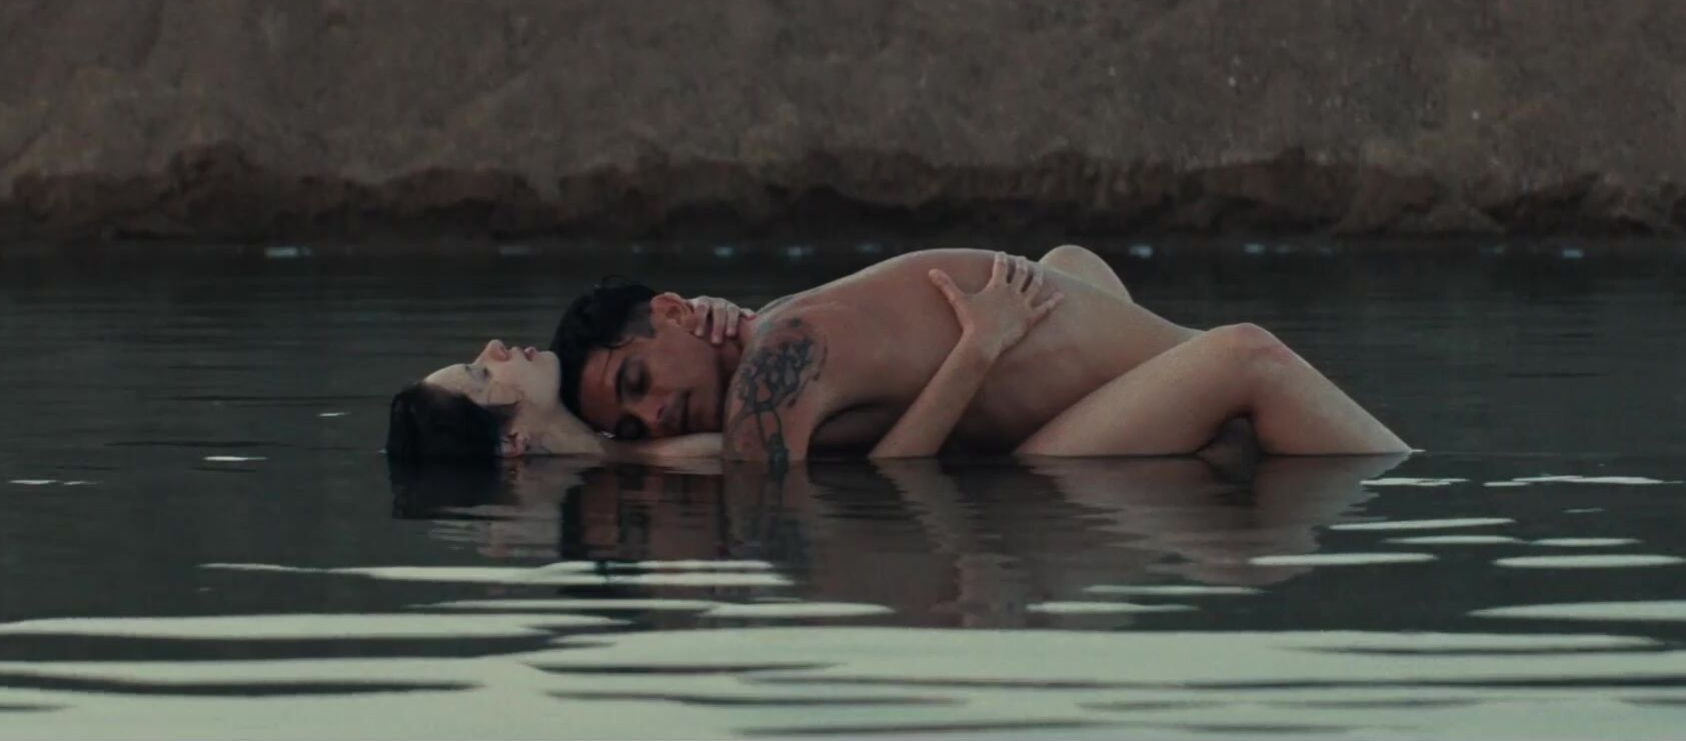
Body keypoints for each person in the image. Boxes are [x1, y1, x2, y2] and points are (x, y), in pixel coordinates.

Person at [387, 245, 1407, 465]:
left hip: (1082, 426)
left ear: (670, 314)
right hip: (1072, 419)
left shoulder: (774, 357)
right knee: (1071, 263)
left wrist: (980, 347)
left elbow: (760, 473)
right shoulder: (758, 348)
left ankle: (1381, 462)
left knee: (1243, 355)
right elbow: (715, 456)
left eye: (640, 383)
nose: (652, 418)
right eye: (630, 421)